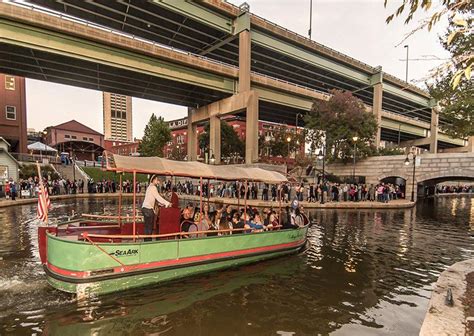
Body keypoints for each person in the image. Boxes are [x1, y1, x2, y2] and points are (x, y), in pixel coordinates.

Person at [141, 175, 171, 241]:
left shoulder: (149, 187)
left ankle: (146, 241)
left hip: (144, 208)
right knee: (150, 227)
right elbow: (158, 197)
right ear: (153, 180)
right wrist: (167, 203)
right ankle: (148, 242)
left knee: (147, 227)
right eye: (157, 180)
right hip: (148, 209)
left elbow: (153, 199)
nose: (158, 182)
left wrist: (159, 204)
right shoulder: (153, 187)